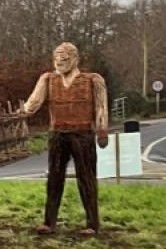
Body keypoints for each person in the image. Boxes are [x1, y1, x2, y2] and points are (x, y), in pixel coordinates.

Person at [22, 42, 109, 235]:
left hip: (83, 134)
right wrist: (19, 115)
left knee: (86, 178)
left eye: (64, 58)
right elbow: (33, 103)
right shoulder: (48, 79)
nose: (59, 61)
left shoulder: (93, 80)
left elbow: (101, 106)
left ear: (75, 59)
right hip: (58, 134)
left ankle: (92, 223)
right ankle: (49, 222)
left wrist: (102, 130)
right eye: (56, 58)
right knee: (54, 178)